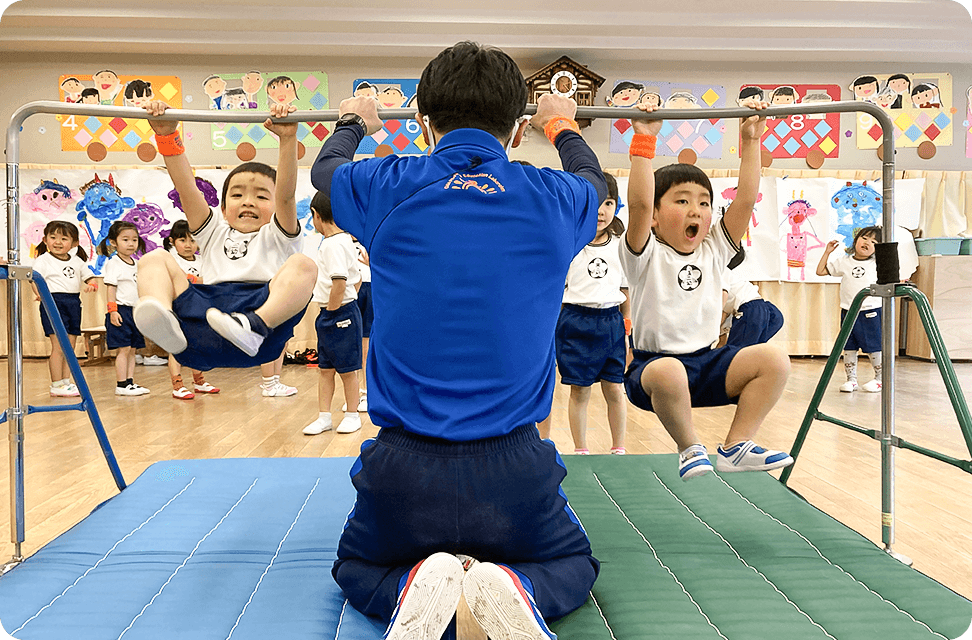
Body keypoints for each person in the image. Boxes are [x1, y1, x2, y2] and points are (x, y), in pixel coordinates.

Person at [310, 41, 605, 640]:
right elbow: (593, 179)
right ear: (518, 132)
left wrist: (354, 123)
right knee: (574, 565)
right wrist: (564, 125)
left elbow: (325, 174)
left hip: (402, 468)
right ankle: (519, 587)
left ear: (423, 125)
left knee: (359, 567)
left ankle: (415, 584)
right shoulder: (556, 198)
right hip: (515, 469)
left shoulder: (387, 184)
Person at [620, 99, 794, 481]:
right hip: (653, 371)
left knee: (774, 360)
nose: (696, 210)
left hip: (706, 364)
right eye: (681, 201)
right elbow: (637, 203)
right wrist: (644, 142)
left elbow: (746, 198)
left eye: (703, 202)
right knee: (668, 371)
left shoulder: (714, 248)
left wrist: (751, 140)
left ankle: (737, 445)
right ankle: (689, 448)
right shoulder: (645, 253)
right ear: (655, 217)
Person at [133, 100, 317, 373]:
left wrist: (288, 139)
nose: (248, 202)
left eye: (262, 196)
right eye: (238, 194)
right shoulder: (213, 231)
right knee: (155, 258)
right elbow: (186, 187)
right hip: (201, 325)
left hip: (260, 323)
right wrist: (166, 135)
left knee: (304, 265)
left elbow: (287, 195)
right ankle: (165, 322)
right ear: (222, 208)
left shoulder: (279, 235)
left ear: (276, 205)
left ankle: (254, 326)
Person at [555, 171, 631, 455]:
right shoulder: (570, 242)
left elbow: (626, 291)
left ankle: (619, 447)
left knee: (614, 388)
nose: (602, 210)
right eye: (597, 201)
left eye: (609, 202)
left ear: (617, 206)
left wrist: (627, 329)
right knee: (580, 390)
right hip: (575, 320)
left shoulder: (621, 246)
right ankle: (580, 449)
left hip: (610, 320)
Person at [302, 191, 363, 436]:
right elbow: (355, 281)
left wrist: (333, 311)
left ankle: (352, 414)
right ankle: (324, 416)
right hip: (335, 311)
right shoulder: (342, 240)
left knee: (348, 370)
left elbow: (340, 282)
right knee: (325, 369)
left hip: (338, 313)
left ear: (316, 215)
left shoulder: (333, 244)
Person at [30, 220, 97, 397]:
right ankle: (56, 384)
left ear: (74, 243)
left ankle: (66, 382)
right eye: (53, 237)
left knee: (70, 347)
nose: (57, 242)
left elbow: (90, 278)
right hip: (53, 302)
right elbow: (35, 280)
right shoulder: (43, 260)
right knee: (58, 346)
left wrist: (92, 284)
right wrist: (41, 295)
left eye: (63, 238)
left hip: (73, 303)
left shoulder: (77, 261)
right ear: (45, 240)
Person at [815, 226, 883, 393]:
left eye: (874, 242)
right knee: (848, 346)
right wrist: (827, 252)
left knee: (873, 346)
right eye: (865, 238)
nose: (867, 243)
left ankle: (880, 378)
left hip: (870, 310)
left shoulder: (877, 264)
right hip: (848, 311)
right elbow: (820, 271)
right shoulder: (845, 261)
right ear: (856, 239)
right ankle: (851, 380)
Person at [161, 221, 219, 399]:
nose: (188, 245)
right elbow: (180, 281)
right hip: (179, 308)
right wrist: (197, 280)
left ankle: (199, 380)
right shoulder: (170, 260)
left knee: (197, 345)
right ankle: (177, 384)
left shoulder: (202, 260)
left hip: (199, 307)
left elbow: (211, 279)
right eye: (182, 240)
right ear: (172, 241)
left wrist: (197, 280)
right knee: (176, 347)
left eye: (193, 241)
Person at [100, 221, 150, 396]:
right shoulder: (113, 262)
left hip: (134, 311)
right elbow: (111, 287)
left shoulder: (136, 263)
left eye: (134, 240)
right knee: (124, 349)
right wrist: (112, 310)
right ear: (114, 242)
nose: (131, 244)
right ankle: (121, 384)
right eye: (126, 239)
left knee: (133, 349)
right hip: (120, 310)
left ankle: (130, 382)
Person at [720, 247, 784, 349]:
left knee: (734, 352)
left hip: (750, 309)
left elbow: (723, 299)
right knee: (748, 349)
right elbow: (721, 335)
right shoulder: (732, 276)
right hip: (768, 309)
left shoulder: (721, 272)